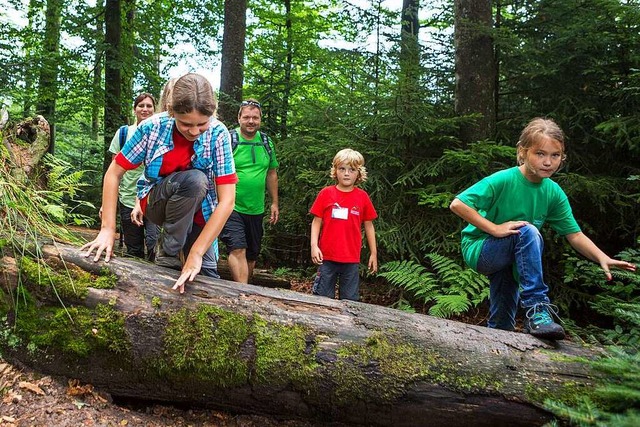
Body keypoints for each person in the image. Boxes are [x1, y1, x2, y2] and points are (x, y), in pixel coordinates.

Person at [449, 117, 636, 340]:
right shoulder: (503, 179)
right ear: (522, 152)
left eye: (554, 155)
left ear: (562, 157)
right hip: (481, 250)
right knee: (527, 232)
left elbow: (574, 234)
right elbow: (458, 204)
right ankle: (537, 308)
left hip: (510, 254)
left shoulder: (553, 192)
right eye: (540, 154)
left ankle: (495, 347)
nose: (548, 162)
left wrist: (601, 257)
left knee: (502, 324)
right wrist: (494, 228)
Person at [82, 73, 238, 293]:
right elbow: (113, 173)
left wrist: (196, 253)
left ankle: (183, 251)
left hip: (201, 213)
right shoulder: (152, 127)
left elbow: (227, 201)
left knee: (206, 279)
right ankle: (170, 250)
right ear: (171, 111)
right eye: (186, 124)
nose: (194, 132)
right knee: (195, 179)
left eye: (201, 125)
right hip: (158, 203)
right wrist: (108, 229)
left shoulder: (218, 133)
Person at [219, 99, 279, 284]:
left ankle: (245, 290)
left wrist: (274, 202)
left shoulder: (267, 142)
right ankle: (242, 294)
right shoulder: (229, 140)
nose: (251, 121)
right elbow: (217, 170)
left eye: (255, 117)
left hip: (256, 209)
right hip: (231, 206)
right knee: (237, 249)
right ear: (239, 118)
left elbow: (271, 173)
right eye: (246, 117)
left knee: (252, 255)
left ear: (260, 119)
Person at [309, 148, 378, 301]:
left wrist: (373, 253)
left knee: (350, 302)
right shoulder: (326, 193)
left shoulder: (362, 197)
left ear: (359, 173)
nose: (346, 173)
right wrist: (314, 246)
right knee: (322, 300)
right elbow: (316, 221)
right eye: (342, 169)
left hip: (351, 259)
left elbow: (369, 226)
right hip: (326, 258)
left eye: (352, 170)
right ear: (335, 171)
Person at [106, 92, 159, 261]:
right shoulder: (123, 133)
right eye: (141, 105)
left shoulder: (161, 133)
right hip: (127, 198)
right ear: (134, 109)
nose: (145, 109)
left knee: (154, 245)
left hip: (154, 200)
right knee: (133, 249)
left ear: (155, 109)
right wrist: (106, 205)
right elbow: (113, 171)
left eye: (149, 106)